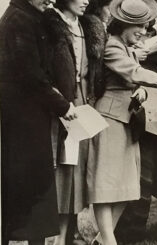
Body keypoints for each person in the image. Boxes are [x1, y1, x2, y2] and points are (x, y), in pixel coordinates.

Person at [86, 0, 157, 243]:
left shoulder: (125, 45)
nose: (144, 31)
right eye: (139, 27)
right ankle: (108, 241)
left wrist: (141, 91)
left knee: (128, 188)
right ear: (123, 25)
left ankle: (101, 239)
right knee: (107, 186)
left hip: (128, 121)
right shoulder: (112, 46)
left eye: (146, 26)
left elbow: (135, 81)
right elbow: (134, 72)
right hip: (110, 121)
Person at [0, 0, 78, 243]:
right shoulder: (18, 20)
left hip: (31, 115)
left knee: (33, 185)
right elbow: (29, 74)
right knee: (25, 187)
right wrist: (62, 104)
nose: (52, 0)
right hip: (21, 118)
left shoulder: (32, 17)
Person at [42, 0, 107, 243]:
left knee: (77, 171)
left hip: (83, 104)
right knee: (61, 170)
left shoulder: (87, 26)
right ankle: (56, 238)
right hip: (58, 104)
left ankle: (72, 233)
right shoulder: (48, 23)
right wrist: (58, 100)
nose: (87, 1)